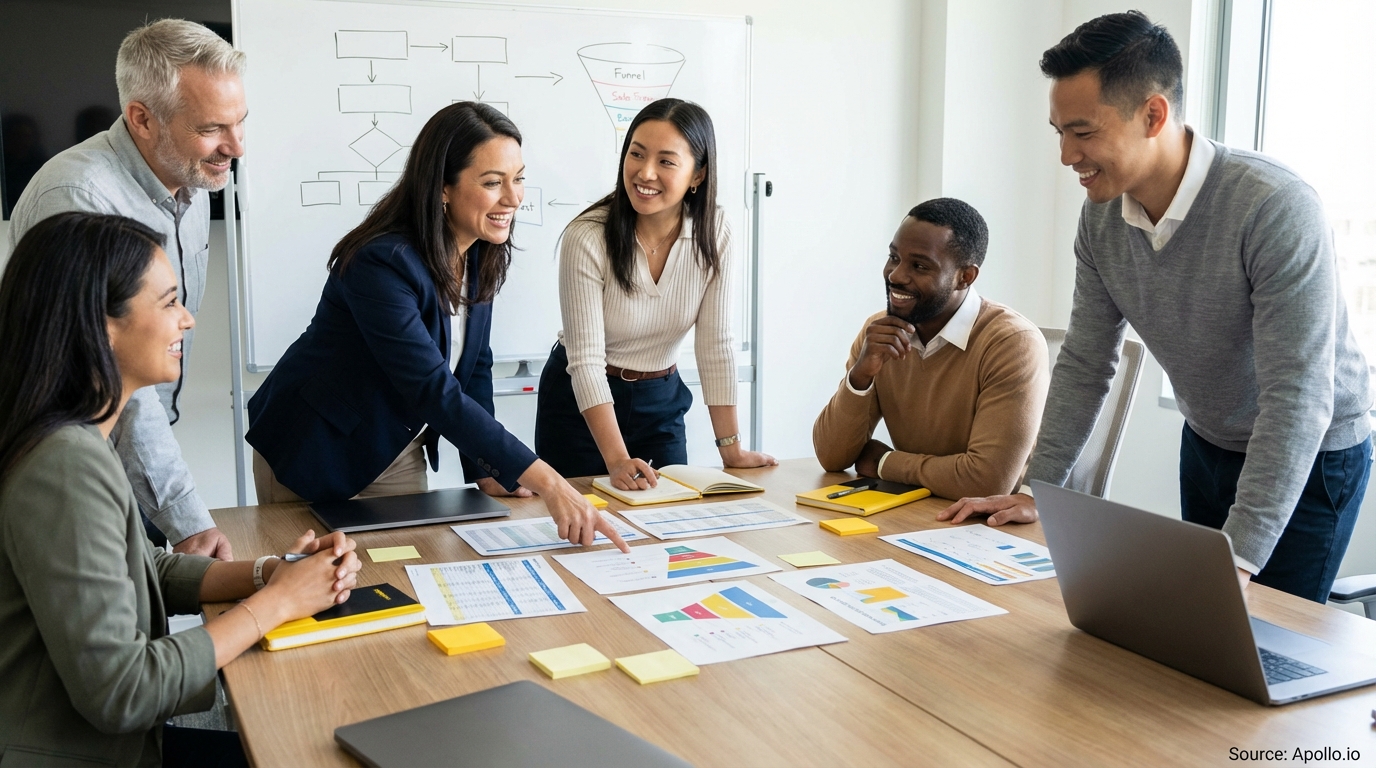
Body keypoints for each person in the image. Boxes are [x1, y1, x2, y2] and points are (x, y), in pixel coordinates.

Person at [939, 11, 1372, 603]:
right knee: (1196, 631)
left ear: (1154, 115)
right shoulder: (1101, 218)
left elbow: (1298, 397)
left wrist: (1240, 556)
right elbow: (1087, 362)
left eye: (1082, 132)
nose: (1066, 155)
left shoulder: (1273, 206)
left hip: (1313, 454)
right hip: (1208, 441)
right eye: (1058, 132)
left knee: (1266, 635)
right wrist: (1038, 489)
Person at [0, 212, 362, 766]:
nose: (187, 320)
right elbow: (123, 691)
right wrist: (277, 603)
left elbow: (139, 566)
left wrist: (270, 572)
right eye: (170, 302)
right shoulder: (64, 464)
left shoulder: (74, 437)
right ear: (100, 324)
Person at [246, 102, 625, 551]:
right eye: (492, 182)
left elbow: (474, 368)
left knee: (404, 572)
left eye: (518, 178)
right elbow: (431, 388)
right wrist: (551, 482)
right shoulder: (381, 262)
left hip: (396, 446)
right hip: (315, 448)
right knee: (319, 583)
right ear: (443, 187)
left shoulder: (479, 251)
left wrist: (485, 469)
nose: (513, 197)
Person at [6, 19, 247, 560]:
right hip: (76, 474)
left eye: (240, 123)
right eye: (213, 128)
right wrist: (186, 518)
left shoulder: (191, 181)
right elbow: (110, 372)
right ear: (142, 118)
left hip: (136, 463)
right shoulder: (79, 196)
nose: (236, 146)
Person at [535, 98, 775, 491]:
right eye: (637, 154)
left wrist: (731, 450)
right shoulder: (588, 236)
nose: (645, 173)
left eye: (666, 161)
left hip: (660, 401)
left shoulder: (714, 231)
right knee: (583, 519)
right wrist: (616, 459)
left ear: (698, 175)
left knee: (669, 515)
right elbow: (586, 361)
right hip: (580, 405)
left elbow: (715, 344)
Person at [813, 199, 1049, 499]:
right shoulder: (880, 333)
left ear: (965, 277)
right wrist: (860, 376)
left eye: (919, 266)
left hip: (987, 521)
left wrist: (884, 462)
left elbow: (987, 483)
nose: (896, 275)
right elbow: (831, 457)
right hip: (916, 509)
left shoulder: (1011, 343)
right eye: (894, 257)